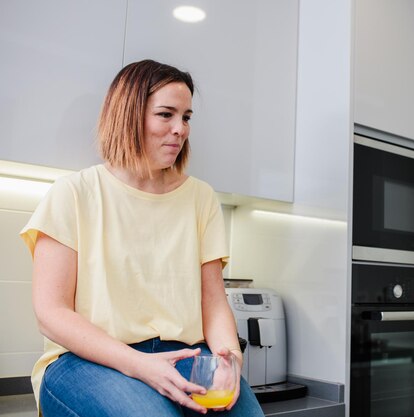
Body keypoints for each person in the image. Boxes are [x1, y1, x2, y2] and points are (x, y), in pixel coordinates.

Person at [20, 59, 265, 417]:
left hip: (186, 353)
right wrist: (138, 364)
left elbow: (213, 302)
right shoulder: (73, 193)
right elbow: (51, 313)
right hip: (86, 360)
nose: (180, 129)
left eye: (186, 117)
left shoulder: (200, 198)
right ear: (128, 115)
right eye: (166, 114)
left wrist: (230, 359)